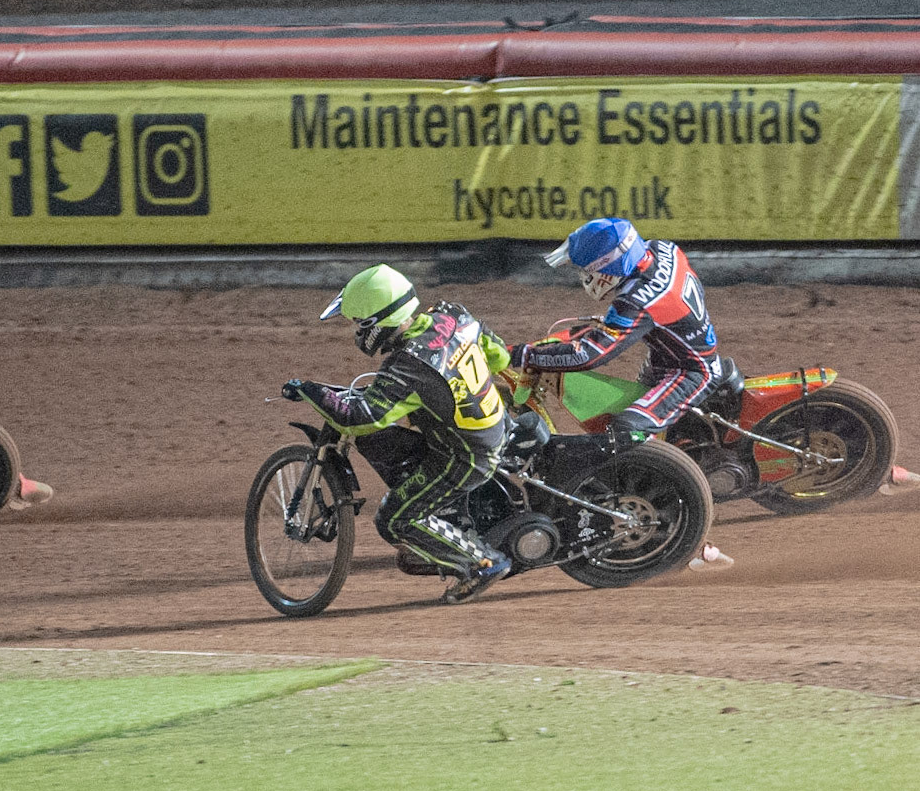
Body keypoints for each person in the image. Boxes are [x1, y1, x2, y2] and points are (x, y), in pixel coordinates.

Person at [282, 263, 513, 604]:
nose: (356, 331)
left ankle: (481, 563)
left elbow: (358, 418)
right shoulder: (452, 314)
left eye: (359, 323)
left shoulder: (408, 365)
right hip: (499, 422)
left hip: (466, 455)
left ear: (377, 323)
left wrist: (310, 391)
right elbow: (500, 356)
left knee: (394, 519)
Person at [509, 217, 724, 436]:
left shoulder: (636, 301)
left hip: (688, 372)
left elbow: (588, 355)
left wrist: (522, 355)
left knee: (624, 430)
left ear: (607, 266)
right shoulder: (662, 248)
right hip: (668, 357)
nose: (583, 276)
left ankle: (655, 456)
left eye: (585, 270)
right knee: (630, 410)